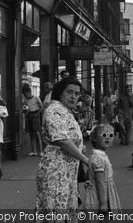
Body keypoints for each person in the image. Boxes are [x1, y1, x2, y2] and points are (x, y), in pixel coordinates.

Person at [36, 76, 90, 215]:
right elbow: (61, 140)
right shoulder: (54, 110)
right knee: (56, 210)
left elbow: (68, 138)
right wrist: (85, 159)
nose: (73, 97)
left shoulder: (66, 111)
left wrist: (79, 146)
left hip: (67, 171)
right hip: (56, 170)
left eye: (77, 94)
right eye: (69, 92)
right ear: (60, 92)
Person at [82, 124, 122, 213]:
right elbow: (100, 182)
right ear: (95, 138)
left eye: (110, 135)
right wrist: (103, 204)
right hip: (100, 196)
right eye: (104, 135)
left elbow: (87, 176)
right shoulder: (99, 159)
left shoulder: (95, 156)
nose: (107, 137)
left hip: (94, 193)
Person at [22, 84, 43, 156]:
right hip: (29, 115)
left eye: (25, 94)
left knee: (37, 133)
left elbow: (41, 107)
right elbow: (26, 107)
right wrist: (25, 111)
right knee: (31, 134)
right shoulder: (25, 100)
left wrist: (38, 114)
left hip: (35, 115)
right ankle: (34, 151)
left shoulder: (36, 98)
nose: (25, 96)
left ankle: (41, 151)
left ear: (29, 92)